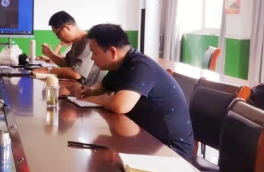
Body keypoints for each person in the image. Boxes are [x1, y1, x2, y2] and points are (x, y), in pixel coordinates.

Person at [77, 24, 194, 160]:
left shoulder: (141, 66)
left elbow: (120, 105)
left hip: (170, 149)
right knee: (100, 152)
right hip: (146, 138)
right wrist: (90, 91)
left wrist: (95, 99)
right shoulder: (121, 64)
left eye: (95, 53)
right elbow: (103, 85)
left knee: (104, 160)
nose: (92, 58)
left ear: (113, 52)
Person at [32, 11, 99, 83]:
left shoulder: (88, 43)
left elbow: (76, 73)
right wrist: (50, 54)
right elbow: (67, 64)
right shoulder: (76, 42)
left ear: (67, 28)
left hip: (90, 89)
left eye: (58, 34)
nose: (58, 38)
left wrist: (48, 70)